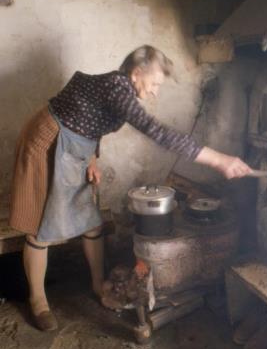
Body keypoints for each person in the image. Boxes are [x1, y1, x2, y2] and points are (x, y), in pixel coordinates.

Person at [9, 45, 252, 332]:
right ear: (137, 73)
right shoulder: (116, 87)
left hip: (77, 150)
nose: (155, 92)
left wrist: (92, 158)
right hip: (49, 143)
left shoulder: (118, 92)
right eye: (155, 83)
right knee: (40, 227)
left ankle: (98, 285)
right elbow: (157, 132)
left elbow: (91, 122)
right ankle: (38, 301)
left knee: (91, 222)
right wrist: (219, 160)